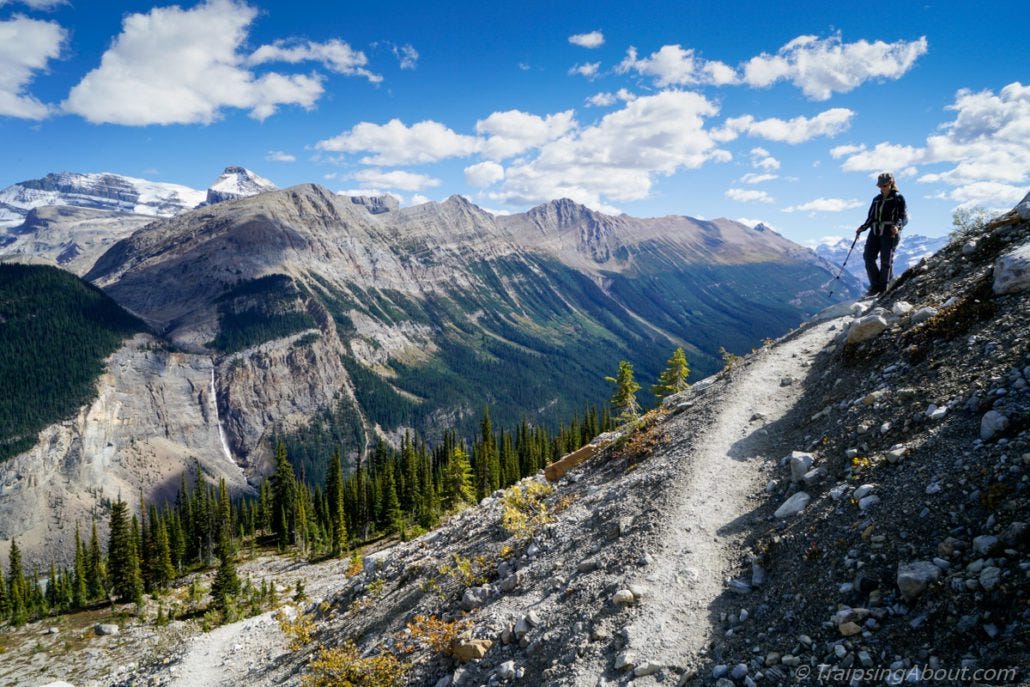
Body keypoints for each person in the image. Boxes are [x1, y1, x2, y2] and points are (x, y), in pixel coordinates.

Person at [855, 172, 907, 295]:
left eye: (884, 185)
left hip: (889, 231)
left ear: (891, 183)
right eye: (880, 186)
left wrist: (897, 227)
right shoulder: (876, 199)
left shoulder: (898, 197)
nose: (881, 188)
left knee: (886, 260)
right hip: (874, 231)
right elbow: (871, 217)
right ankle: (875, 285)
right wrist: (862, 228)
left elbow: (903, 217)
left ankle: (883, 289)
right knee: (868, 257)